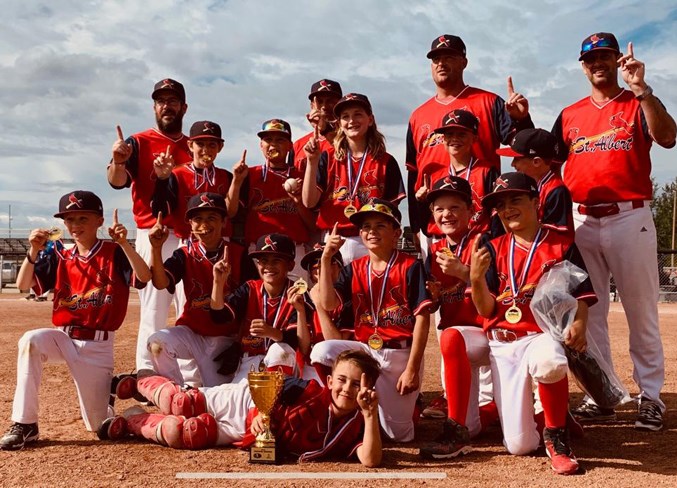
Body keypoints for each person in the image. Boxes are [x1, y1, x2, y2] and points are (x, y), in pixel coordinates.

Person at [551, 32, 677, 430]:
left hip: (630, 215)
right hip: (583, 218)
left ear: (618, 60)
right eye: (590, 59)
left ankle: (651, 396)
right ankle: (602, 394)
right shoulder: (570, 114)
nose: (597, 63)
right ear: (583, 65)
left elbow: (668, 137)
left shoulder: (637, 103)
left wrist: (642, 90)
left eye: (605, 56)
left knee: (641, 311)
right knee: (591, 312)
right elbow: (551, 163)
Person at [0, 191, 151, 451]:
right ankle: (25, 424)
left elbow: (145, 276)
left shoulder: (114, 252)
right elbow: (24, 286)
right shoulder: (60, 254)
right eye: (69, 219)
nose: (76, 225)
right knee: (31, 341)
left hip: (97, 346)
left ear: (99, 221)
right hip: (64, 337)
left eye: (83, 218)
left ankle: (112, 395)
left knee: (98, 426)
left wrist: (126, 244)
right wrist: (33, 250)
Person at [470, 173, 596, 475]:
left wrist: (580, 323)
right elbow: (487, 308)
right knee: (520, 446)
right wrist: (475, 279)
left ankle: (556, 435)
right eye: (500, 204)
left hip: (541, 335)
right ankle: (550, 414)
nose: (508, 208)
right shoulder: (493, 248)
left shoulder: (561, 242)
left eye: (516, 200)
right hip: (504, 342)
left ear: (536, 202)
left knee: (551, 362)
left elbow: (583, 293)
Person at [98, 350, 382, 466]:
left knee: (183, 433)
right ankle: (140, 383)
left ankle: (134, 422)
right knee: (181, 403)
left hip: (246, 429)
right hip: (247, 402)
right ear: (329, 380)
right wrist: (262, 412)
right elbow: (275, 384)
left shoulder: (356, 424)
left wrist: (369, 415)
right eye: (342, 380)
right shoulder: (310, 390)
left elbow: (370, 460)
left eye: (357, 384)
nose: (347, 389)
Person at [310, 199, 431, 442]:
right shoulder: (353, 268)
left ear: (396, 232)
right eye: (365, 227)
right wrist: (325, 258)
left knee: (399, 437)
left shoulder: (410, 266)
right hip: (365, 350)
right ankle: (348, 412)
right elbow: (329, 304)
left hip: (398, 354)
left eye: (380, 226)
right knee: (322, 351)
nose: (371, 232)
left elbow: (422, 319)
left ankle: (410, 408)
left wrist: (412, 369)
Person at [406, 34, 532, 247]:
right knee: (436, 280)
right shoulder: (418, 115)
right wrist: (416, 225)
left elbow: (524, 147)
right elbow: (414, 173)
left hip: (480, 224)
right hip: (434, 225)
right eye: (436, 59)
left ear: (464, 62)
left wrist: (522, 120)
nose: (441, 63)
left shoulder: (489, 101)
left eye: (449, 57)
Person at [107, 78, 193, 372]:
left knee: (189, 307)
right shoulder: (138, 142)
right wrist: (118, 161)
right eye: (161, 101)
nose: (166, 106)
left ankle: (193, 377)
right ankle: (146, 371)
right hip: (152, 232)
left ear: (184, 107)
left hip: (189, 235)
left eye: (172, 101)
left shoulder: (195, 145)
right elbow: (117, 182)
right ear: (154, 107)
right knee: (154, 308)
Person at [418, 176, 492, 459]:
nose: (446, 214)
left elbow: (499, 295)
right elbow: (434, 306)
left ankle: (455, 430)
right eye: (439, 208)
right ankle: (488, 414)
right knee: (480, 429)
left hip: (491, 332)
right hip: (463, 342)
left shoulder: (484, 242)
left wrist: (465, 272)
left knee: (521, 441)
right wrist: (434, 299)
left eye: (454, 207)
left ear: (470, 211)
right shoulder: (434, 252)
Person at [146, 193, 246, 387]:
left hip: (223, 338)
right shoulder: (184, 253)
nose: (204, 225)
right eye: (198, 219)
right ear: (190, 224)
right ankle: (175, 393)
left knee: (215, 398)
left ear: (224, 222)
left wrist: (239, 344)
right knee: (157, 343)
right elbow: (160, 282)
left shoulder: (239, 255)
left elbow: (252, 304)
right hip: (191, 333)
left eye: (212, 218)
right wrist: (156, 249)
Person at [302, 93, 405, 264]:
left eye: (358, 114)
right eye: (345, 116)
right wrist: (312, 162)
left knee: (368, 290)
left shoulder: (386, 161)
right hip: (333, 237)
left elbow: (391, 211)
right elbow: (309, 202)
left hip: (371, 239)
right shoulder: (327, 157)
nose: (351, 121)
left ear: (370, 119)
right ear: (339, 124)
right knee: (331, 290)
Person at [210, 233, 307, 382]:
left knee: (278, 350)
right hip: (250, 361)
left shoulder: (297, 293)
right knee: (233, 399)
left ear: (290, 265)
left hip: (285, 362)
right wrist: (218, 282)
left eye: (276, 260)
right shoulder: (249, 288)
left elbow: (298, 342)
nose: (268, 266)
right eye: (263, 261)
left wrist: (272, 333)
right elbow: (219, 316)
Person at [228, 119, 316, 277]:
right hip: (259, 251)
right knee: (259, 300)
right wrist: (236, 181)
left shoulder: (302, 176)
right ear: (261, 145)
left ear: (290, 146)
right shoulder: (248, 175)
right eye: (268, 140)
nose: (273, 144)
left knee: (296, 299)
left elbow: (312, 225)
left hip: (294, 251)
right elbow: (231, 212)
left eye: (280, 140)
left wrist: (297, 202)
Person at [416, 108, 500, 237]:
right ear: (442, 139)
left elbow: (496, 213)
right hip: (441, 240)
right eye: (449, 135)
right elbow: (427, 218)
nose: (455, 139)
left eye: (461, 134)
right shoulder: (433, 174)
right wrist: (421, 202)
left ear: (474, 138)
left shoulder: (487, 171)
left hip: (477, 239)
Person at [151, 120, 236, 241]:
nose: (206, 150)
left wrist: (237, 181)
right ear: (190, 145)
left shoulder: (227, 176)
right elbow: (159, 211)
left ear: (220, 147)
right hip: (187, 242)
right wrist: (162, 179)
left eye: (212, 145)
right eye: (200, 144)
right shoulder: (177, 174)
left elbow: (232, 213)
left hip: (221, 242)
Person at [497, 128, 573, 235]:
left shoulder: (556, 190)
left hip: (554, 249)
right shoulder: (530, 185)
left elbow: (555, 235)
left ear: (536, 162)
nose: (512, 164)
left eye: (516, 159)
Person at [297, 244, 353, 381]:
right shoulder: (304, 300)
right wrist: (300, 311)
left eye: (327, 262)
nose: (319, 268)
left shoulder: (349, 299)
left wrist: (319, 306)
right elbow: (304, 349)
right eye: (314, 266)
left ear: (340, 268)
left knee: (322, 350)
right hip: (310, 367)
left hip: (339, 367)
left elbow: (336, 344)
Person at [293, 79, 343, 170]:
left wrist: (325, 130)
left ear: (340, 104)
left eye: (330, 101)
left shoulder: (351, 138)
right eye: (319, 102)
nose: (324, 106)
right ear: (312, 106)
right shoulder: (298, 145)